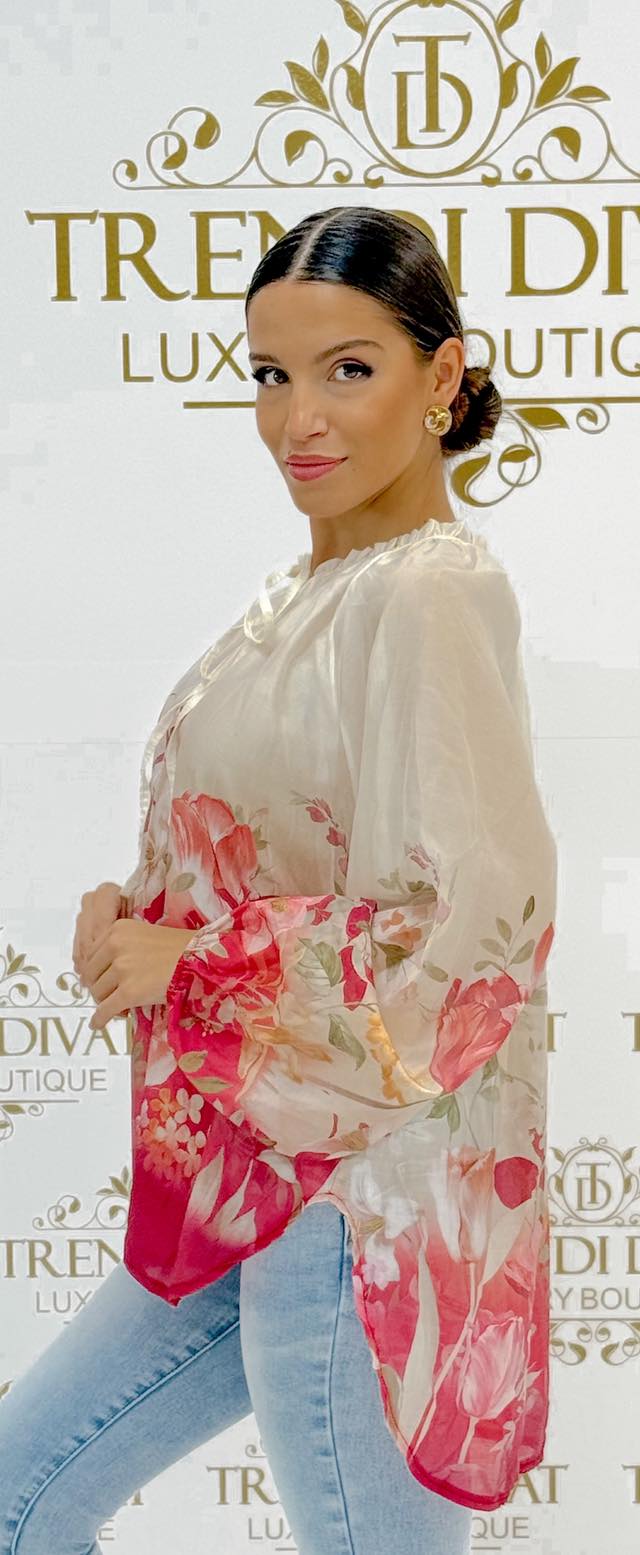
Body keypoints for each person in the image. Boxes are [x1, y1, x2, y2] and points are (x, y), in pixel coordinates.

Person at [0, 207, 557, 1555]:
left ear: (442, 376)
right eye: (270, 373)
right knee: (20, 1496)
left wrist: (195, 965)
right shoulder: (309, 596)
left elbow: (476, 930)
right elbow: (292, 848)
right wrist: (142, 915)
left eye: (348, 370)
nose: (298, 420)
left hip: (362, 1194)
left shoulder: (426, 594)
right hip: (254, 1160)